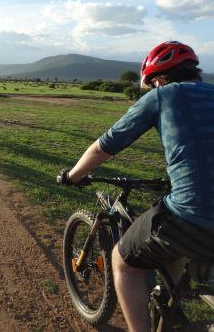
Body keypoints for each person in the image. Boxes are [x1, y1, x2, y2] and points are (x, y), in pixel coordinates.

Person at [58, 41, 214, 332]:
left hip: (194, 214)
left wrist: (73, 176)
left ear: (158, 79)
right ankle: (169, 303)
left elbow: (103, 148)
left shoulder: (163, 95)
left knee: (122, 262)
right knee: (171, 243)